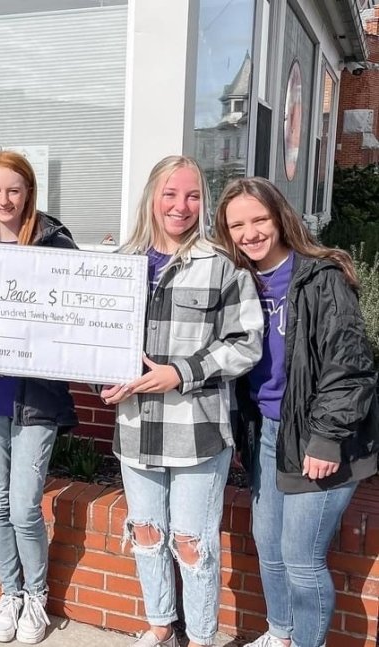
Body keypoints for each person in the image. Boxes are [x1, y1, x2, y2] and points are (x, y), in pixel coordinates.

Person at [99, 156, 263, 647]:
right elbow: (97, 341)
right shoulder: (121, 263)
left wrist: (181, 372)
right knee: (147, 533)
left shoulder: (223, 265)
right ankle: (161, 626)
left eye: (192, 195)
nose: (181, 206)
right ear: (152, 196)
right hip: (134, 425)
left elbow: (247, 342)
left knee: (193, 544)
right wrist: (102, 381)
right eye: (170, 194)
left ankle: (202, 637)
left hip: (197, 429)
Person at [214, 177, 379, 647]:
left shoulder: (321, 276)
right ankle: (281, 634)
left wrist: (326, 438)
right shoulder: (238, 280)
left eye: (259, 219)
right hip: (267, 431)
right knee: (268, 546)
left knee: (301, 559)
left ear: (280, 217)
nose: (250, 233)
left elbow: (350, 366)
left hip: (319, 435)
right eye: (237, 224)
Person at [0, 151, 78, 644]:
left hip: (37, 396)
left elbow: (77, 316)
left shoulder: (56, 244)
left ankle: (37, 596)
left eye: (13, 190)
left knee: (24, 506)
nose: (4, 200)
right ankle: (9, 593)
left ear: (29, 191)